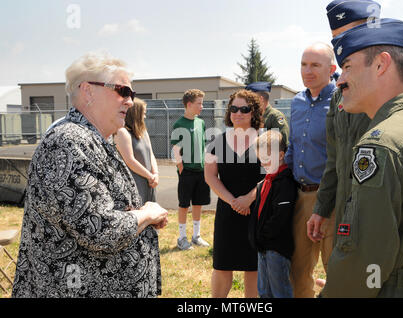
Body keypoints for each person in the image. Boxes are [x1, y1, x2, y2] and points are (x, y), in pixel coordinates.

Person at [12, 52, 168, 298]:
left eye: (132, 94)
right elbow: (100, 230)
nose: (130, 101)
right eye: (122, 91)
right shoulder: (68, 143)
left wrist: (142, 217)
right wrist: (146, 214)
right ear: (88, 91)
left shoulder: (94, 140)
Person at [316, 18, 403, 297]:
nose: (339, 80)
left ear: (380, 65)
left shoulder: (383, 145)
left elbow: (367, 260)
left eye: (347, 67)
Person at [284, 42, 337, 298]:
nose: (308, 70)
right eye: (304, 64)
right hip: (300, 196)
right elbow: (293, 145)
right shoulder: (297, 102)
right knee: (299, 269)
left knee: (335, 268)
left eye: (315, 64)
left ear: (332, 68)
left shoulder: (342, 101)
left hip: (331, 199)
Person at [205, 89, 264, 298]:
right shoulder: (216, 142)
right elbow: (210, 176)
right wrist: (233, 201)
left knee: (253, 267)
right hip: (227, 211)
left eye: (245, 109)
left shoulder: (265, 141)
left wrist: (248, 198)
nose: (238, 113)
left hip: (257, 210)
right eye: (234, 108)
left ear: (254, 112)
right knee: (222, 265)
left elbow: (272, 176)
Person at [249, 130, 297, 298]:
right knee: (264, 292)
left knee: (280, 292)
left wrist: (263, 236)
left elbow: (280, 217)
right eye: (261, 160)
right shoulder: (265, 183)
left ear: (281, 154)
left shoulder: (285, 182)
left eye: (267, 159)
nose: (264, 164)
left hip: (277, 248)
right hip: (263, 248)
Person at [170, 89, 211, 250]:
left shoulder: (200, 122)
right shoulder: (179, 124)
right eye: (199, 103)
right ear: (189, 104)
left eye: (202, 103)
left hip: (201, 170)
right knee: (184, 204)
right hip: (187, 171)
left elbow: (202, 146)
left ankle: (196, 236)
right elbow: (175, 149)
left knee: (199, 203)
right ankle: (182, 238)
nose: (202, 106)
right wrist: (181, 168)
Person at [115, 97, 159, 203]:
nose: (145, 116)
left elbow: (151, 154)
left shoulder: (143, 131)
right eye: (143, 113)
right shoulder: (122, 132)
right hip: (134, 183)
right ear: (135, 114)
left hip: (149, 181)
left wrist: (155, 174)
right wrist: (149, 176)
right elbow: (130, 160)